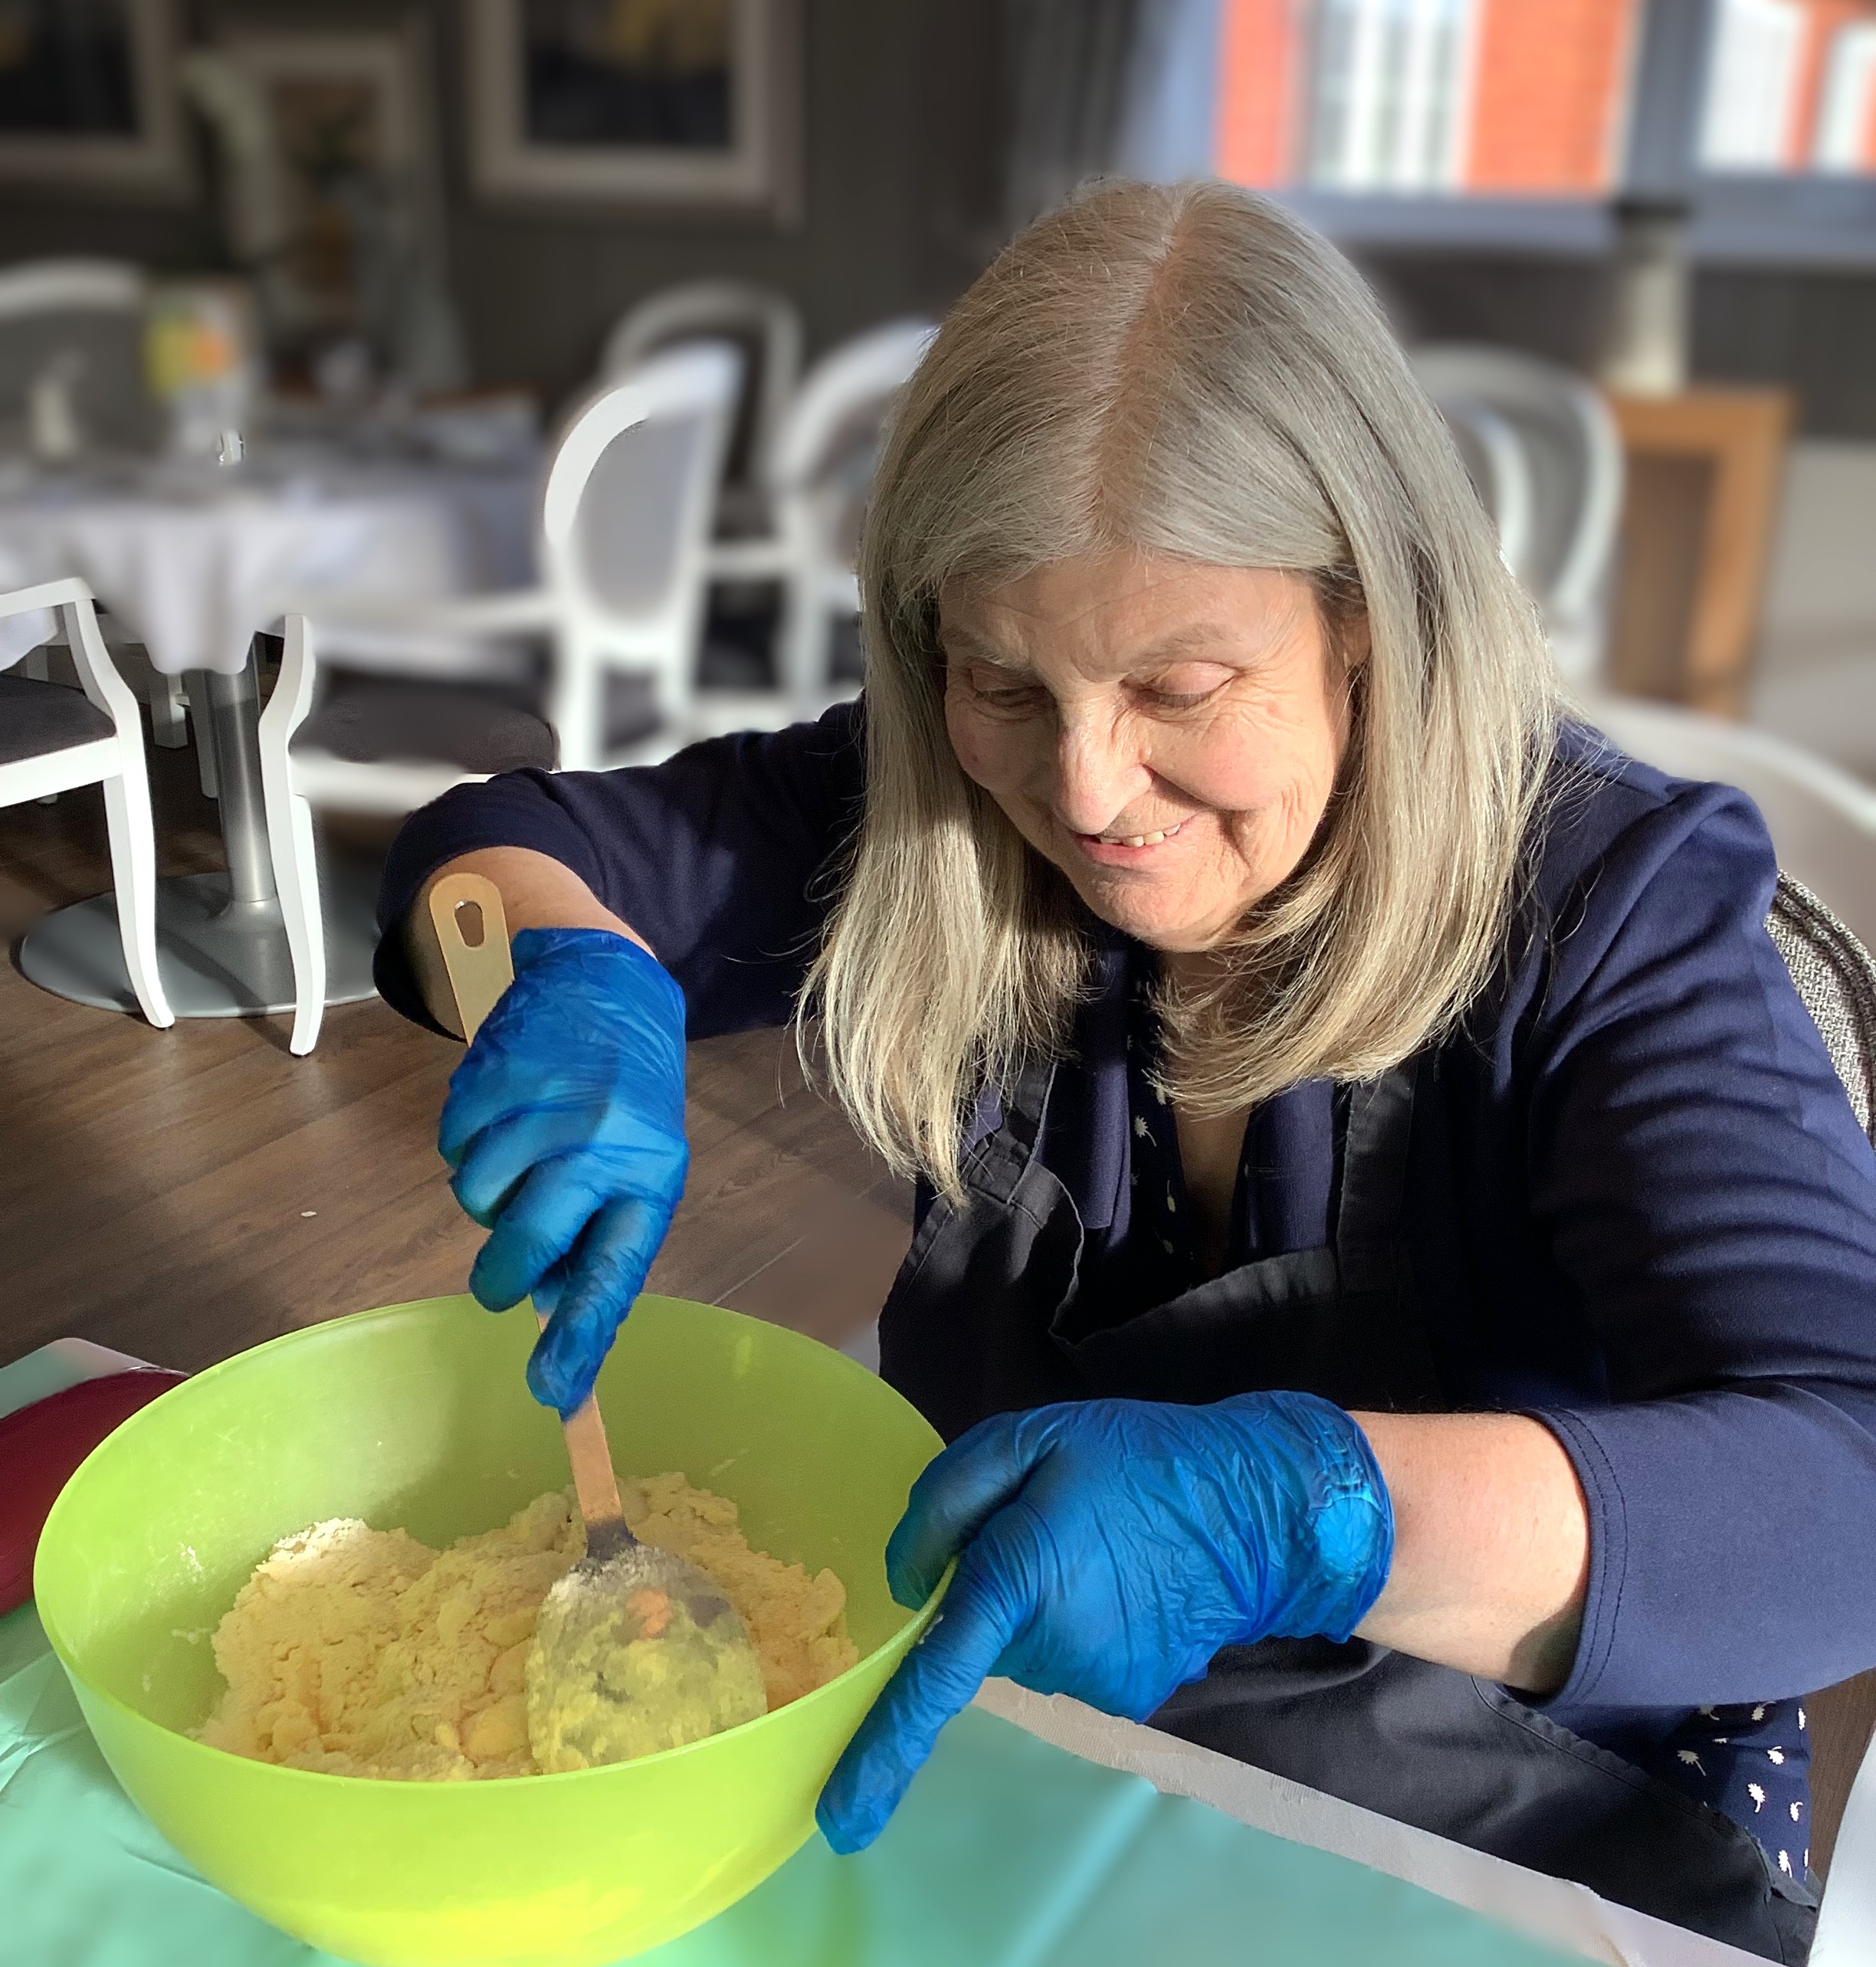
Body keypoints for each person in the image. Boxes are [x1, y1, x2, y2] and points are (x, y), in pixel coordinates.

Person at [376, 182, 1876, 1962]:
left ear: (1367, 622)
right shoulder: (950, 807)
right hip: (1046, 1742)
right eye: (1004, 683)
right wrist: (565, 965)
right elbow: (496, 844)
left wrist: (1298, 1519)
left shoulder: (1612, 909)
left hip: (1528, 1819)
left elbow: (1842, 1493)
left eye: (1180, 687)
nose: (1084, 792)